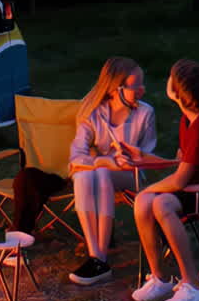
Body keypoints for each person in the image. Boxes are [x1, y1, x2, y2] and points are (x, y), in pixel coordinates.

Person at [131, 58, 199, 301]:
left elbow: (179, 179)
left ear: (177, 93)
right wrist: (142, 158)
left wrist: (149, 187)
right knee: (145, 201)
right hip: (195, 187)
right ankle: (160, 279)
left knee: (160, 202)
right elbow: (182, 162)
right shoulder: (187, 120)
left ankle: (194, 286)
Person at [67, 56, 157, 286]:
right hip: (101, 174)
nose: (141, 90)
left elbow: (146, 155)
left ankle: (99, 259)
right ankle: (97, 256)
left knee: (99, 172)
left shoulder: (145, 113)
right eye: (135, 86)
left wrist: (124, 158)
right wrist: (103, 161)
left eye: (142, 84)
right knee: (86, 174)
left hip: (131, 175)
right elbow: (76, 155)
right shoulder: (95, 114)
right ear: (117, 89)